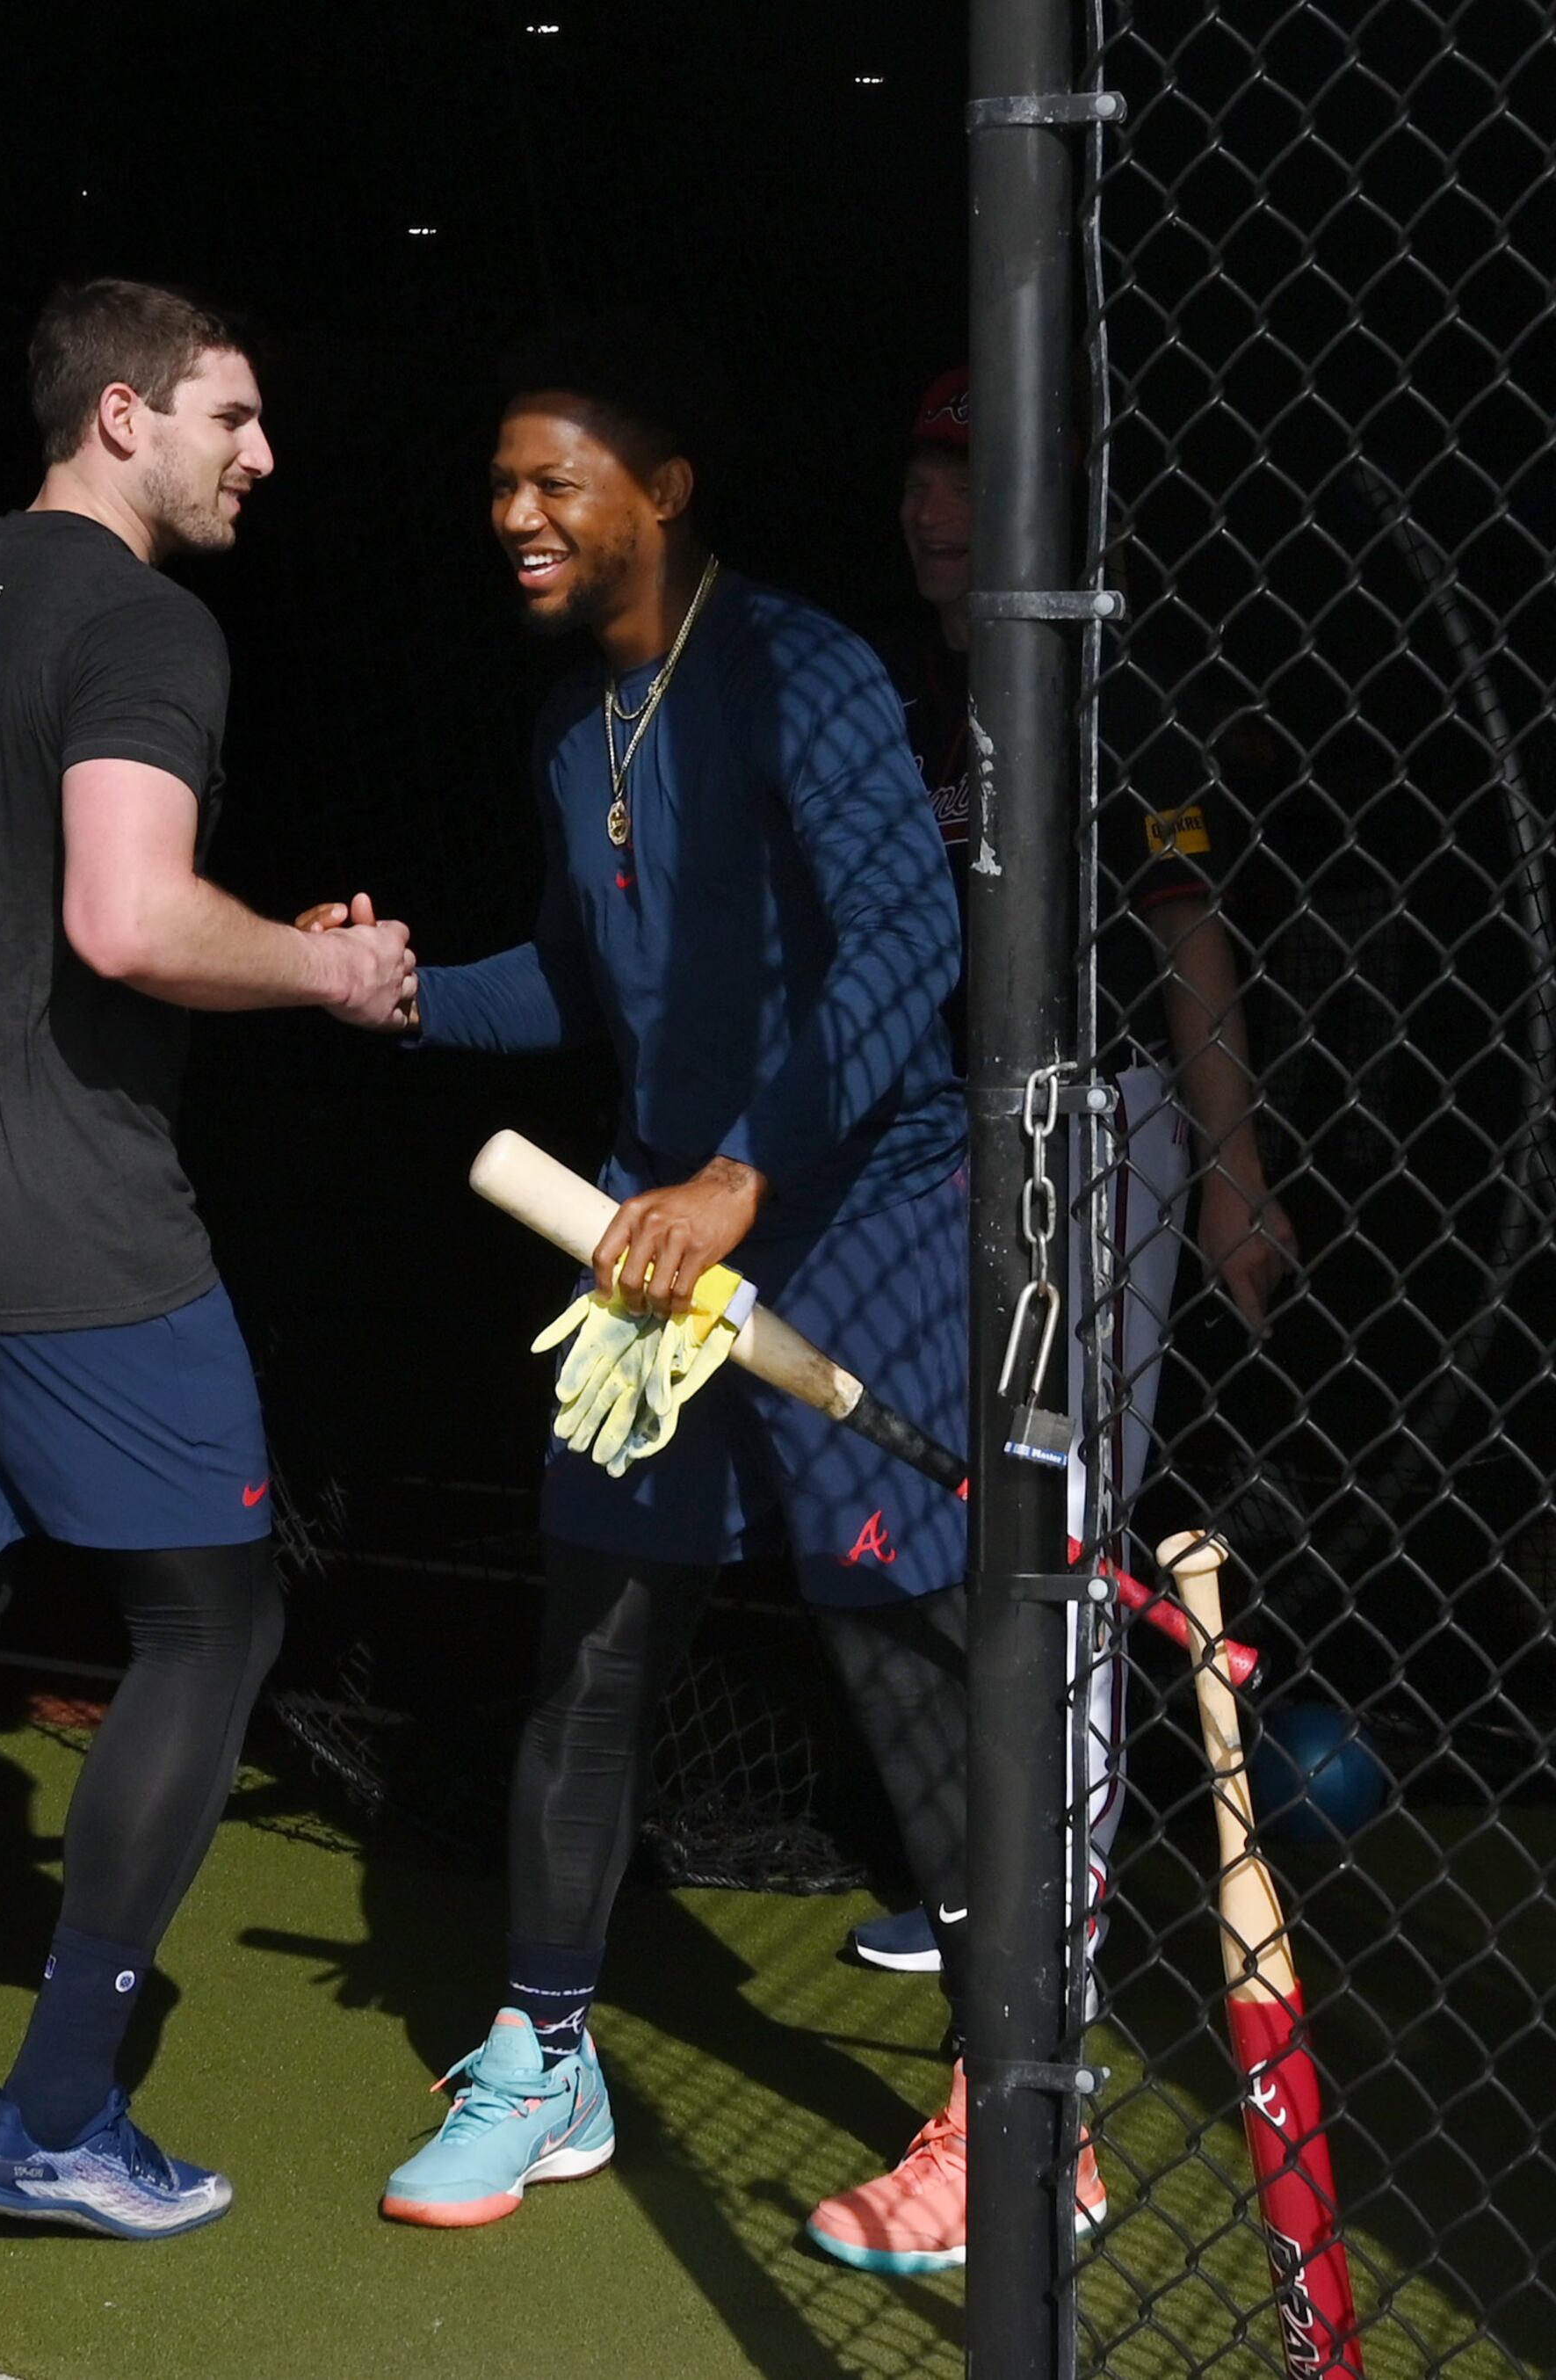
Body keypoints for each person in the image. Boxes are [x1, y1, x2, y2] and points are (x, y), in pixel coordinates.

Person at [334, 313, 1083, 2256]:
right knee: (596, 1632)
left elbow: (910, 938)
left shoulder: (807, 667)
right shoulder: (574, 724)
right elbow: (585, 990)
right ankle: (546, 2048)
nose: (513, 513)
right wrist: (403, 985)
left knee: (901, 1641)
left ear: (660, 491)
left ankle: (1024, 2108)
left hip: (860, 1212)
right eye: (499, 481)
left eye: (552, 479)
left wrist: (754, 1166)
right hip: (663, 1234)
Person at [0, 278, 417, 2239]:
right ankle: (48, 2115)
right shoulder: (148, 619)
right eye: (235, 414)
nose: (265, 455)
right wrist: (328, 964)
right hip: (74, 1213)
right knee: (215, 1623)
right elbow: (125, 919)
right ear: (123, 416)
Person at [850, 365, 1300, 1986]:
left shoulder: (1118, 683)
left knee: (1058, 1514)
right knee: (919, 1495)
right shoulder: (889, 688)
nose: (928, 504)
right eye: (917, 473)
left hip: (1090, 1133)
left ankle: (1058, 1925)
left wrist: (1236, 1170)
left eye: (963, 477)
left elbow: (1189, 935)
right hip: (915, 1140)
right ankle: (986, 1870)